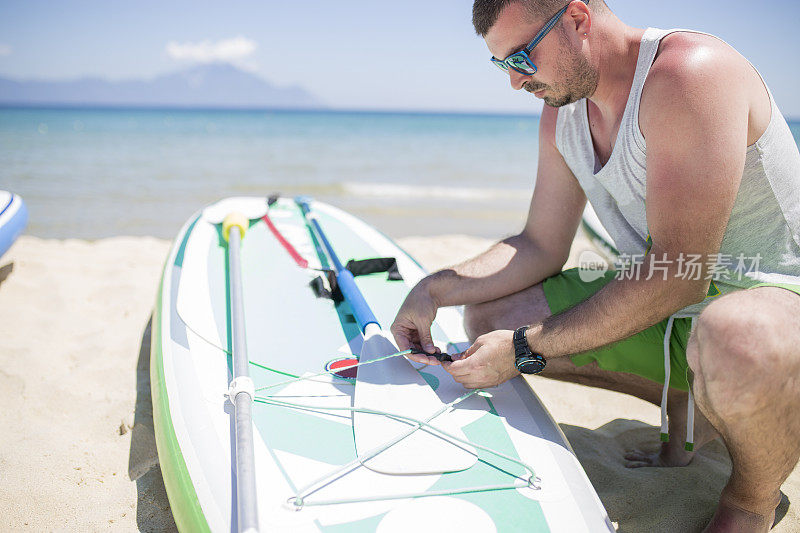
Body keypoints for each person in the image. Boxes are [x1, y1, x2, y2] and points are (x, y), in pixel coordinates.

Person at [390, 1, 800, 531]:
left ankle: (751, 499)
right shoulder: (563, 111)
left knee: (734, 337)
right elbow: (540, 243)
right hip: (678, 307)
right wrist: (433, 290)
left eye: (520, 58)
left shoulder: (688, 74)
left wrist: (525, 350)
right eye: (502, 66)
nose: (515, 83)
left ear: (578, 19)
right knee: (490, 317)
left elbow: (681, 271)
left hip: (774, 308)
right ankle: (700, 396)